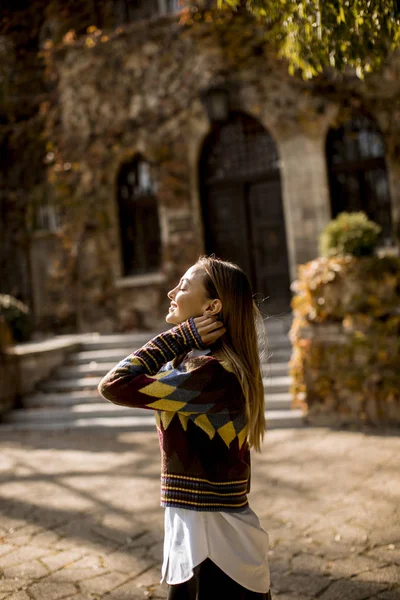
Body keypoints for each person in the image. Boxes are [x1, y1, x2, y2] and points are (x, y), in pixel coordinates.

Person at [98, 255, 271, 599]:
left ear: (212, 307)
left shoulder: (212, 373)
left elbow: (114, 384)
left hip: (213, 538)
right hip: (197, 525)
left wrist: (178, 336)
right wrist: (183, 339)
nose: (171, 292)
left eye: (184, 285)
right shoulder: (198, 366)